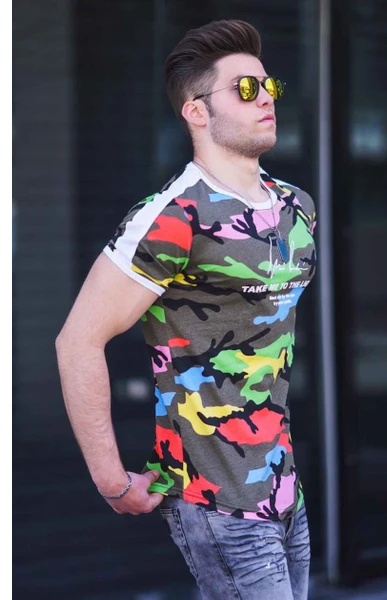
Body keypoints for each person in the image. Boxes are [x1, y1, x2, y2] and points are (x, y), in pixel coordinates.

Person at [56, 18, 317, 600]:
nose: (266, 98)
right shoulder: (173, 217)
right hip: (216, 504)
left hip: (285, 492)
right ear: (196, 112)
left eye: (269, 86)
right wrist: (111, 480)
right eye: (245, 89)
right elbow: (77, 341)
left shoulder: (297, 209)